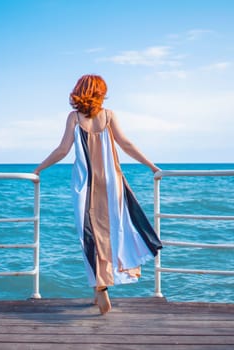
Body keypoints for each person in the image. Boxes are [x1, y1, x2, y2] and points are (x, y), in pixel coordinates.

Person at [34, 74, 162, 315]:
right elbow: (126, 145)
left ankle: (101, 285)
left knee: (90, 234)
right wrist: (152, 166)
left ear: (79, 91)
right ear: (100, 93)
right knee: (113, 230)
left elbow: (62, 150)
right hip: (112, 183)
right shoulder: (109, 115)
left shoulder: (74, 117)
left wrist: (39, 168)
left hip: (86, 186)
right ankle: (98, 289)